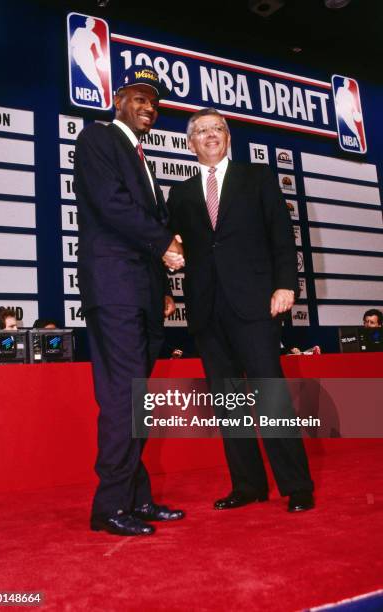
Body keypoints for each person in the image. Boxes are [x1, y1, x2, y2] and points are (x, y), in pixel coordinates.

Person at [167, 108, 314, 513]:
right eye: (202, 131)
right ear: (190, 143)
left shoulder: (258, 178)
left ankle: (297, 485)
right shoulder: (178, 194)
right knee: (228, 402)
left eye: (218, 129)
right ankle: (247, 486)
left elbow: (282, 237)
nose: (211, 135)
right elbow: (173, 246)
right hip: (207, 309)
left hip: (255, 303)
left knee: (270, 395)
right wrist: (170, 261)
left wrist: (286, 284)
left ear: (228, 138)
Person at [74, 66, 185, 536]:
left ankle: (136, 499)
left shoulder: (140, 156)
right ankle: (110, 507)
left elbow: (138, 218)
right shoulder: (98, 139)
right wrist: (165, 245)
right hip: (115, 285)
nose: (148, 108)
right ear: (118, 99)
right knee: (123, 397)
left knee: (134, 398)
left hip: (140, 291)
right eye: (139, 98)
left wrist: (161, 289)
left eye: (154, 103)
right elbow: (113, 204)